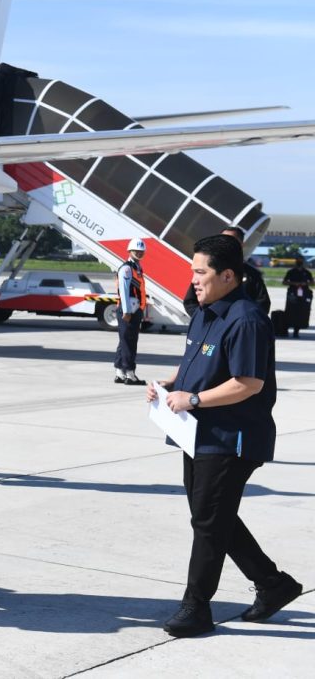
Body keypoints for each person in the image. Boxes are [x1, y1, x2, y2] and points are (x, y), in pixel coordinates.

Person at [146, 234, 302, 638]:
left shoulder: (247, 319)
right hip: (198, 434)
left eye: (201, 272)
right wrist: (170, 385)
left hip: (233, 437)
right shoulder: (204, 312)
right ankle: (272, 584)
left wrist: (194, 398)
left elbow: (248, 383)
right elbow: (194, 362)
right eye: (193, 271)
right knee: (211, 516)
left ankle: (196, 606)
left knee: (208, 521)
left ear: (228, 275)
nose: (194, 280)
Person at [183, 226, 270, 317]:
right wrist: (203, 317)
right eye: (221, 241)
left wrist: (243, 316)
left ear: (241, 244)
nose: (224, 244)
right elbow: (190, 302)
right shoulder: (208, 269)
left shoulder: (252, 274)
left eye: (230, 241)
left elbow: (263, 303)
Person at [114, 238, 148, 385]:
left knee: (124, 341)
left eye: (141, 251)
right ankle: (130, 374)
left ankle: (120, 372)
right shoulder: (127, 268)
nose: (139, 253)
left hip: (135, 309)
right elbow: (124, 290)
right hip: (129, 310)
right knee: (130, 342)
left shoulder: (136, 268)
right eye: (136, 251)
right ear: (129, 251)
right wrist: (127, 311)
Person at [282, 257, 312, 338]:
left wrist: (305, 284)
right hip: (293, 293)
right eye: (298, 261)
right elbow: (284, 282)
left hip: (303, 294)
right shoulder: (291, 272)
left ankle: (296, 331)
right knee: (290, 311)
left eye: (301, 261)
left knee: (300, 312)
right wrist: (294, 283)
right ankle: (286, 329)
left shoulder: (306, 272)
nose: (299, 263)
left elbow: (312, 282)